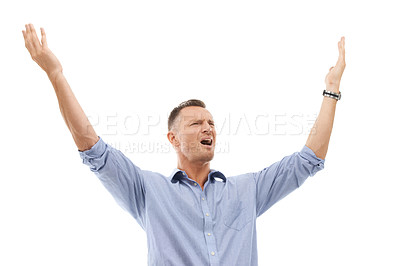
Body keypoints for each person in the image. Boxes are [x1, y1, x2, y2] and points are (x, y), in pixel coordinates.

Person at [22, 23, 346, 266]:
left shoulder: (248, 190)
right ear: (173, 139)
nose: (209, 128)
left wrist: (331, 90)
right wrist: (56, 74)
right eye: (196, 123)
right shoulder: (148, 191)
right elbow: (93, 149)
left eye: (212, 123)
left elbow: (309, 160)